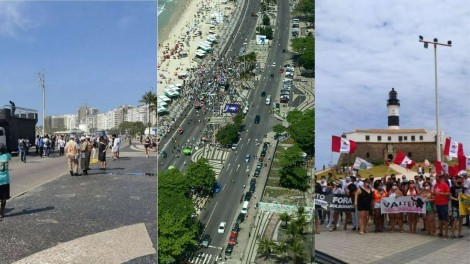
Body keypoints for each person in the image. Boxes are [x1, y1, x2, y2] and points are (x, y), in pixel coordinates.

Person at [434, 175, 451, 239]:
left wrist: (442, 194)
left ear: (440, 178)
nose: (436, 178)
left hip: (444, 204)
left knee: (445, 219)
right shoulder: (435, 185)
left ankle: (446, 233)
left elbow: (449, 193)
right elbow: (434, 193)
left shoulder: (444, 184)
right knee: (440, 218)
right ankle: (440, 232)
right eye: (435, 177)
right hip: (437, 203)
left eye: (437, 177)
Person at [0, 143, 12, 219]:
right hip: (6, 180)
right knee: (3, 198)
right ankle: (1, 213)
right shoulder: (7, 156)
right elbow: (9, 155)